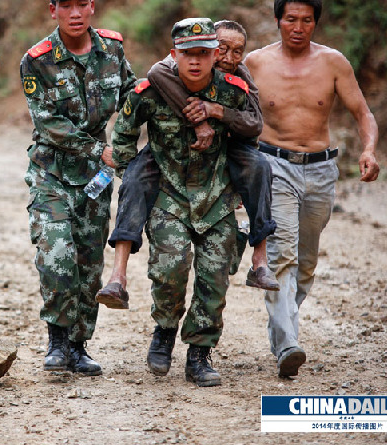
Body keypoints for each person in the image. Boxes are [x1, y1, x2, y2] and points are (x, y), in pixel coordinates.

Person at [244, 0, 380, 377]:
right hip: (273, 165)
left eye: (306, 20)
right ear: (277, 20)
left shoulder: (334, 63)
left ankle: (280, 328)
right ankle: (288, 343)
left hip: (321, 169)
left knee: (305, 264)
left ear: (316, 23)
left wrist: (369, 149)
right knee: (281, 255)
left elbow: (363, 114)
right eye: (291, 20)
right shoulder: (255, 63)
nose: (298, 27)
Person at [96, 20, 279, 313]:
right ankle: (118, 276)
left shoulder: (237, 79)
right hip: (169, 153)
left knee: (259, 166)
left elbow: (255, 122)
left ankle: (260, 259)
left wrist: (216, 111)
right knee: (134, 178)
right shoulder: (174, 67)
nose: (228, 58)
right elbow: (156, 73)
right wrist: (198, 120)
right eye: (222, 49)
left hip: (227, 148)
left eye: (237, 52)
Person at [111, 18, 253, 387]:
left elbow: (253, 126)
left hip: (217, 198)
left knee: (214, 279)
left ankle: (200, 353)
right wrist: (135, 175)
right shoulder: (149, 92)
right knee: (169, 270)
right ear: (174, 54)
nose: (195, 61)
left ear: (214, 55)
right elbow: (123, 133)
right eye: (187, 54)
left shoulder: (232, 90)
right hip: (169, 196)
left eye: (203, 54)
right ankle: (164, 330)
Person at [20, 0, 136, 376]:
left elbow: (132, 99)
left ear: (92, 6)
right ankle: (56, 338)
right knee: (58, 256)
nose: (74, 12)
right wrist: (97, 148)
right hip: (51, 174)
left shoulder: (112, 50)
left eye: (80, 3)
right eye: (65, 4)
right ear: (52, 9)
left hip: (95, 179)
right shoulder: (36, 62)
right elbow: (48, 122)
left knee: (88, 262)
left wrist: (125, 144)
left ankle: (79, 345)